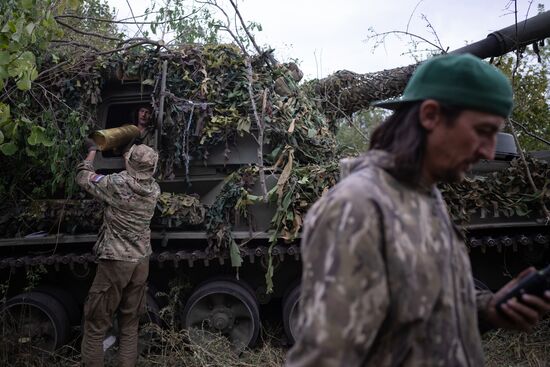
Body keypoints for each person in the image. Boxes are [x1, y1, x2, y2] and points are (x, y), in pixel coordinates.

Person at [285, 54, 550, 366]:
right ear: (430, 115)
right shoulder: (358, 209)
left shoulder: (426, 197)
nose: (489, 151)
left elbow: (416, 308)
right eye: (482, 131)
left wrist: (487, 310)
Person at [77, 140, 161, 367]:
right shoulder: (154, 189)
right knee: (130, 324)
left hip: (116, 261)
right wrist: (130, 158)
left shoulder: (116, 184)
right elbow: (137, 173)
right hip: (141, 262)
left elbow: (83, 177)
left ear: (130, 164)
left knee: (95, 325)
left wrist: (92, 152)